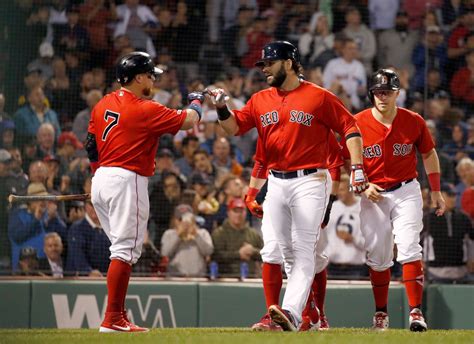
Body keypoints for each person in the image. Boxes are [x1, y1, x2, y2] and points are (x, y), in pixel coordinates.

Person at [207, 41, 368, 331]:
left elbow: (350, 127)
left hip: (311, 180)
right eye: (263, 65)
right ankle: (295, 315)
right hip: (276, 182)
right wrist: (221, 107)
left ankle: (291, 314)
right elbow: (233, 128)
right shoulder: (260, 99)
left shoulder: (319, 97)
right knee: (279, 251)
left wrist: (356, 167)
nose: (265, 69)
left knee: (304, 250)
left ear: (289, 63)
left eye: (270, 63)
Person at [85, 51, 202, 333]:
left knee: (121, 250)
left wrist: (99, 174)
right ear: (138, 78)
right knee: (125, 250)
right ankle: (112, 318)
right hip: (128, 178)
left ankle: (118, 315)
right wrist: (197, 100)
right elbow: (189, 121)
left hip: (102, 178)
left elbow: (91, 143)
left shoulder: (103, 103)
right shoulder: (145, 107)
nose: (153, 80)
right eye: (151, 75)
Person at [356, 69, 446, 332]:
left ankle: (416, 313)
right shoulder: (357, 122)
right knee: (378, 256)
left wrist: (436, 191)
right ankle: (381, 313)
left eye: (388, 92)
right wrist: (362, 186)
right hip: (373, 195)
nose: (383, 96)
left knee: (409, 248)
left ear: (397, 93)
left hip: (406, 190)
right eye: (378, 92)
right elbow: (345, 163)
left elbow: (429, 154)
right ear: (372, 94)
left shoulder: (413, 120)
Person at [248, 132, 345, 332]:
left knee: (313, 256)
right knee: (272, 250)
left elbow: (335, 165)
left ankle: (317, 312)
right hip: (275, 186)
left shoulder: (316, 124)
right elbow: (261, 162)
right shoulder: (272, 122)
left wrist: (329, 204)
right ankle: (274, 315)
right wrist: (252, 194)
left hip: (313, 187)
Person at [423, 183, 474, 282]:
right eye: (450, 195)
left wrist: (471, 259)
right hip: (434, 272)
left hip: (461, 272)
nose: (453, 199)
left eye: (455, 195)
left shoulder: (464, 218)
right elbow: (417, 241)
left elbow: (471, 241)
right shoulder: (428, 218)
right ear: (440, 195)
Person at [211, 198, 263, 277]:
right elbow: (215, 256)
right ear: (228, 213)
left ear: (246, 213)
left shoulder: (253, 234)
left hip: (250, 279)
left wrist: (253, 251)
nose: (238, 214)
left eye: (241, 211)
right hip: (226, 279)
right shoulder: (219, 233)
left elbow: (266, 255)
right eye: (235, 211)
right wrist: (238, 254)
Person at [160, 204, 214, 277]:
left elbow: (209, 251)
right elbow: (165, 252)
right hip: (175, 278)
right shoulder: (169, 234)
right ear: (175, 220)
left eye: (187, 219)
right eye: (180, 219)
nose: (184, 223)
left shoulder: (203, 233)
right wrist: (178, 235)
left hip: (197, 278)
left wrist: (196, 234)